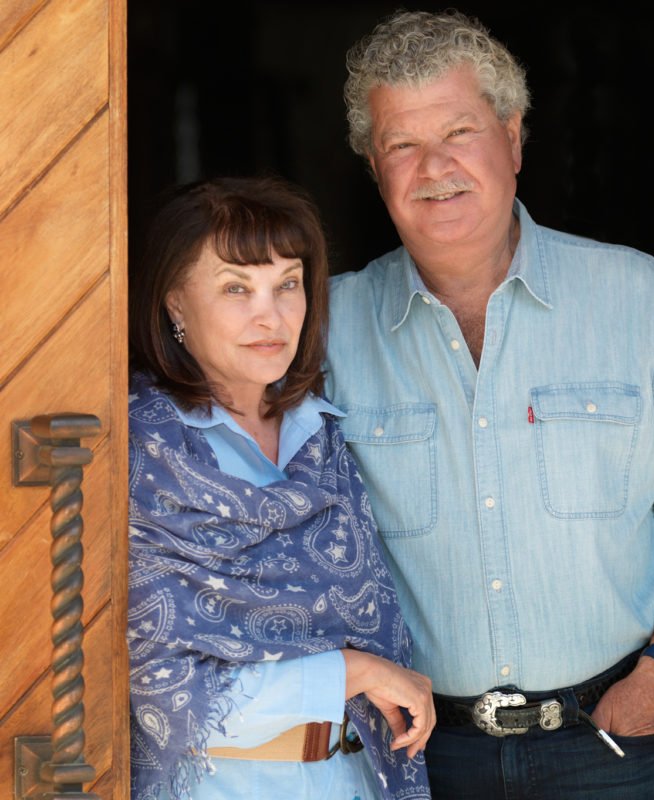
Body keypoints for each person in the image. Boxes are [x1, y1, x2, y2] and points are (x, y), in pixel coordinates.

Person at [324, 9, 654, 799]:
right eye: (402, 144)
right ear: (373, 166)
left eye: (460, 131)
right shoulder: (326, 329)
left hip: (610, 746)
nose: (435, 167)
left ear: (513, 138)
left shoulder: (636, 297)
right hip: (416, 758)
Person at [127, 175, 434, 800]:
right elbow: (164, 692)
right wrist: (353, 671)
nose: (270, 317)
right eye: (236, 288)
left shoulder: (322, 435)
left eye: (287, 284)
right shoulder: (144, 450)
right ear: (175, 303)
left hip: (356, 778)